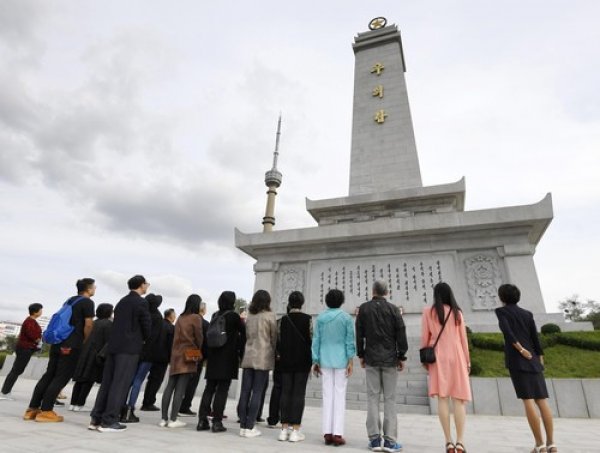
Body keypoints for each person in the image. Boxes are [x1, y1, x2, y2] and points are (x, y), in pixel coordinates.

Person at [496, 284, 557, 453]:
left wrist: (521, 350)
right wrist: (540, 359)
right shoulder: (527, 314)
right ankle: (552, 444)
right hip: (534, 360)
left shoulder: (501, 312)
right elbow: (535, 338)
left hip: (518, 360)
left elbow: (508, 333)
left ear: (502, 297)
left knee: (528, 400)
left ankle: (540, 445)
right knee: (542, 400)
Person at [24, 279, 95, 423]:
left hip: (58, 342)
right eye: (93, 287)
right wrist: (84, 341)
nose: (94, 289)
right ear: (88, 289)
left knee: (49, 375)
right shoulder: (88, 302)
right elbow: (88, 325)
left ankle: (32, 409)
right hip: (71, 344)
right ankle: (46, 411)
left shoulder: (69, 301)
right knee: (61, 377)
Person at [89, 275, 151, 432]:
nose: (147, 286)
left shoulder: (122, 301)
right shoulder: (141, 302)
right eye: (146, 284)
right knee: (120, 384)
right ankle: (109, 420)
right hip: (129, 349)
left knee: (107, 383)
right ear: (140, 285)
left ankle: (96, 418)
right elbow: (146, 327)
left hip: (114, 347)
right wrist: (143, 339)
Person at [356, 280, 408, 453]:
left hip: (371, 358)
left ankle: (374, 440)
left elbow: (359, 334)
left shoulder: (364, 309)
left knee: (372, 398)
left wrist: (361, 354)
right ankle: (391, 441)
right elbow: (401, 333)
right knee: (390, 399)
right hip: (390, 359)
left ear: (373, 291)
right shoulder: (394, 309)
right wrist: (402, 355)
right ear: (387, 292)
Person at [421, 282, 471, 453]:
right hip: (457, 355)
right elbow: (463, 338)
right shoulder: (457, 312)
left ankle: (448, 441)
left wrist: (424, 359)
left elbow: (424, 337)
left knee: (443, 399)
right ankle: (460, 442)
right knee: (459, 400)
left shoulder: (428, 312)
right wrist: (467, 360)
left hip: (437, 357)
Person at [312, 289, 356, 446]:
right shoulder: (345, 318)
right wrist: (350, 360)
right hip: (341, 360)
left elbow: (316, 340)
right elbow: (349, 340)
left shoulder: (321, 318)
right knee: (339, 396)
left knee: (327, 396)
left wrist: (315, 360)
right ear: (341, 301)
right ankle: (338, 433)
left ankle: (327, 433)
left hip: (324, 360)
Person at [197, 291, 245, 433]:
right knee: (222, 390)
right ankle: (217, 422)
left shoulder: (215, 315)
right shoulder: (234, 316)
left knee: (209, 388)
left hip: (213, 358)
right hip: (227, 358)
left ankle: (202, 420)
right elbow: (245, 332)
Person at [237, 289, 277, 438]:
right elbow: (273, 338)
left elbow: (247, 335)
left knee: (245, 392)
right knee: (257, 392)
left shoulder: (250, 317)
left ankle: (242, 426)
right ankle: (250, 426)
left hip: (248, 356)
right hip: (263, 357)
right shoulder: (270, 316)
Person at [159, 294, 203, 428]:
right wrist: (198, 350)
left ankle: (163, 419)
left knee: (170, 386)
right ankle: (173, 419)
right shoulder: (196, 318)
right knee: (181, 387)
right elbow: (199, 337)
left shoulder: (180, 317)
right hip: (188, 354)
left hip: (176, 354)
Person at [276, 291, 312, 442]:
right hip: (302, 363)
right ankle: (295, 430)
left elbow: (277, 341)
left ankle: (283, 429)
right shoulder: (308, 319)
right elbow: (311, 339)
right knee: (298, 394)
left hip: (285, 362)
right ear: (302, 303)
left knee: (285, 393)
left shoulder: (281, 321)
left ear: (289, 303)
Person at [122, 293, 164, 423]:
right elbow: (155, 338)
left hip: (134, 350)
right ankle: (130, 410)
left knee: (128, 380)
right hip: (148, 354)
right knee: (138, 381)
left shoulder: (141, 313)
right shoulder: (158, 317)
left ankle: (120, 406)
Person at [69, 303, 114, 410]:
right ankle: (80, 404)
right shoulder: (108, 324)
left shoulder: (94, 322)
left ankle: (72, 403)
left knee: (80, 379)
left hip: (84, 352)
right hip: (96, 354)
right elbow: (108, 342)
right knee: (89, 380)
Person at [0, 303, 44, 399]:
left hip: (26, 348)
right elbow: (32, 334)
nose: (41, 312)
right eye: (40, 310)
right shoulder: (29, 322)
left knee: (17, 370)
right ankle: (4, 392)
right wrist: (38, 339)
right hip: (24, 348)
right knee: (16, 370)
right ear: (35, 312)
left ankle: (5, 391)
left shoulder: (32, 321)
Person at [141, 308, 175, 411]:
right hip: (162, 358)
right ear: (171, 316)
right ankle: (149, 403)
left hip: (151, 356)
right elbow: (170, 345)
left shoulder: (158, 324)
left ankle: (146, 402)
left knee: (151, 380)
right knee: (157, 381)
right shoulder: (171, 328)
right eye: (174, 315)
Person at [179, 301, 210, 417]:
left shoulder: (185, 319)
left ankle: (179, 404)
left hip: (183, 352)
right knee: (193, 381)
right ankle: (185, 406)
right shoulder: (205, 323)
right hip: (197, 354)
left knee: (184, 380)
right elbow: (205, 342)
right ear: (203, 310)